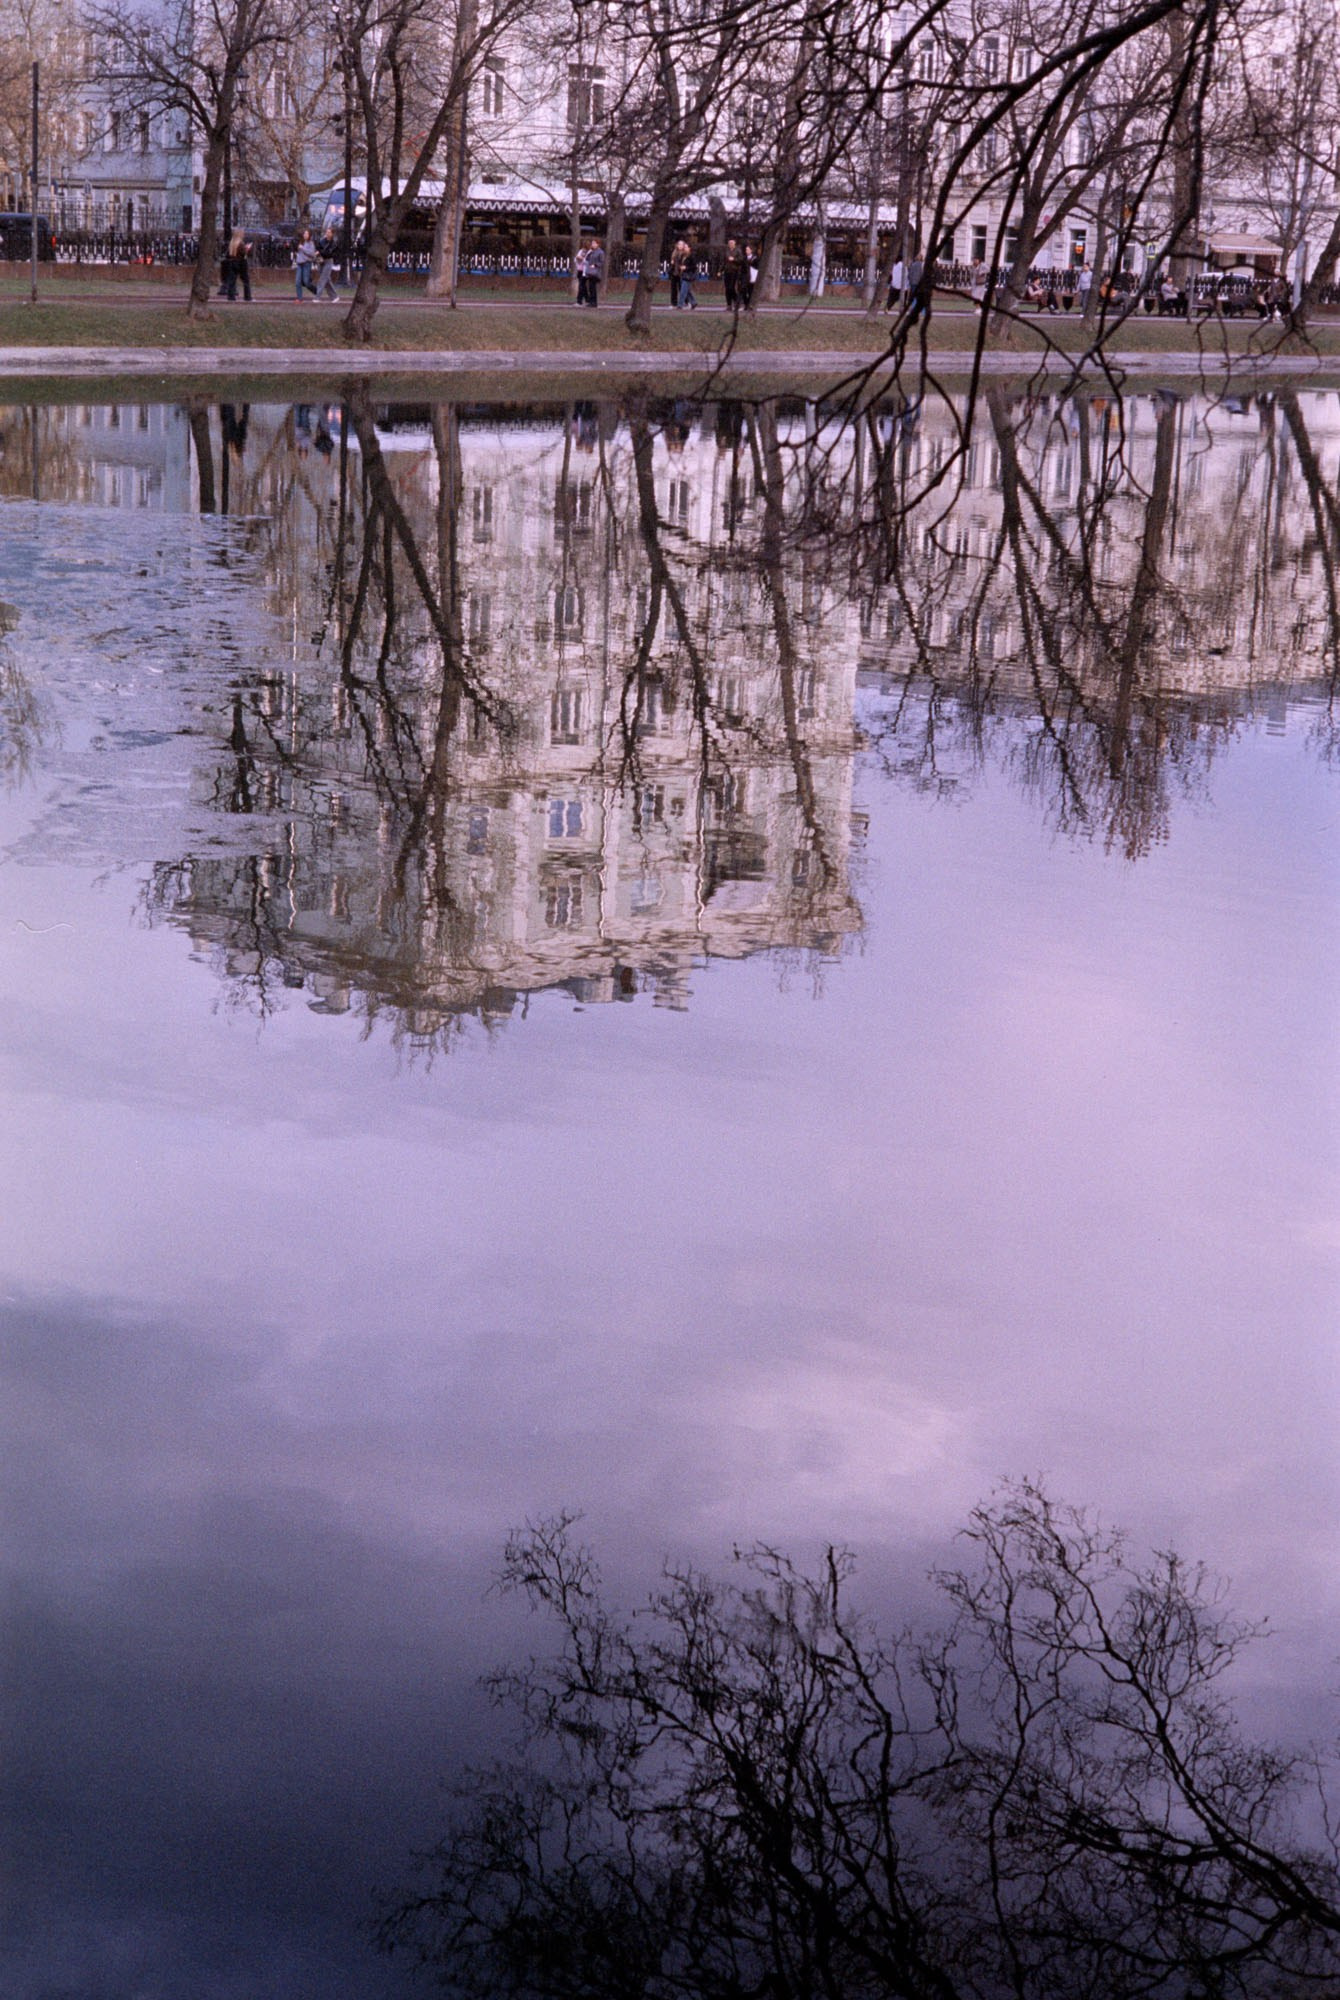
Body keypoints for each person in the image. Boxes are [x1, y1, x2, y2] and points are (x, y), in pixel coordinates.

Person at [222, 228, 252, 302]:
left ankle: (231, 296)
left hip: (232, 262)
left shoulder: (232, 243)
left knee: (232, 280)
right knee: (246, 281)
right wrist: (247, 249)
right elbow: (243, 253)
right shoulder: (241, 243)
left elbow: (228, 254)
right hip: (241, 263)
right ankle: (247, 297)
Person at [670, 238, 697, 309]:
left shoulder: (691, 256)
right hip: (683, 275)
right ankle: (693, 302)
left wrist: (686, 268)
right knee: (687, 291)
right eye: (684, 247)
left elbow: (694, 267)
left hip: (688, 275)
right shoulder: (683, 256)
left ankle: (680, 305)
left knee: (683, 291)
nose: (684, 248)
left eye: (686, 247)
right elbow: (679, 264)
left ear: (689, 248)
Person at [314, 230, 340, 301]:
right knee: (327, 280)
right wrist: (317, 253)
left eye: (329, 232)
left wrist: (320, 252)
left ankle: (317, 297)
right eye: (326, 232)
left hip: (328, 261)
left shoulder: (333, 243)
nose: (327, 233)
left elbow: (329, 253)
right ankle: (335, 297)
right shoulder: (322, 241)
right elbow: (318, 247)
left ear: (332, 234)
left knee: (322, 280)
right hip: (321, 261)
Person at [578, 237, 604, 307]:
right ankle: (591, 302)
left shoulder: (600, 252)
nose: (592, 244)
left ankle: (594, 302)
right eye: (592, 243)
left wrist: (595, 265)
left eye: (594, 243)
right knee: (590, 287)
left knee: (593, 287)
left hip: (595, 272)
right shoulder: (592, 252)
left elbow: (601, 262)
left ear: (598, 244)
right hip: (590, 272)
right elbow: (587, 259)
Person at [294, 228, 318, 299]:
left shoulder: (311, 243)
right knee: (297, 282)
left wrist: (303, 248)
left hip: (306, 263)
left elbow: (312, 254)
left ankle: (316, 291)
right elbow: (298, 251)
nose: (305, 235)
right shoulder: (301, 242)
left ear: (309, 235)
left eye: (307, 234)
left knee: (306, 282)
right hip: (299, 263)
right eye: (304, 234)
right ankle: (299, 298)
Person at [723, 237, 745, 311]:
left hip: (734, 271)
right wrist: (720, 270)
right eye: (729, 243)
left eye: (732, 243)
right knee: (727, 289)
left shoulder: (738, 251)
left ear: (735, 244)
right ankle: (729, 304)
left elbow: (741, 260)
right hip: (727, 271)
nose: (730, 244)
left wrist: (734, 260)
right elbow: (724, 261)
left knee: (731, 287)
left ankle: (738, 302)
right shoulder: (726, 251)